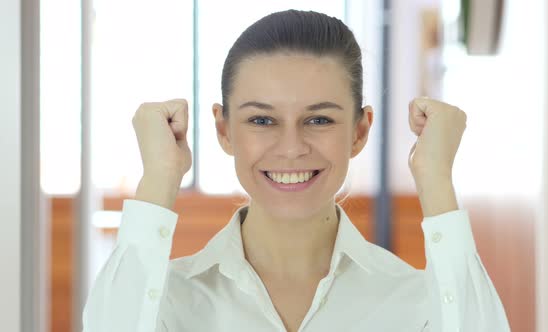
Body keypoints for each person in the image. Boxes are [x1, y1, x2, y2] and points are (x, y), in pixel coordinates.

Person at [82, 9, 510, 332]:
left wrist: (435, 177)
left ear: (359, 132)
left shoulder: (416, 302)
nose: (291, 148)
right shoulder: (167, 299)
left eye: (319, 119)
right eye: (262, 120)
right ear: (224, 130)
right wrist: (159, 175)